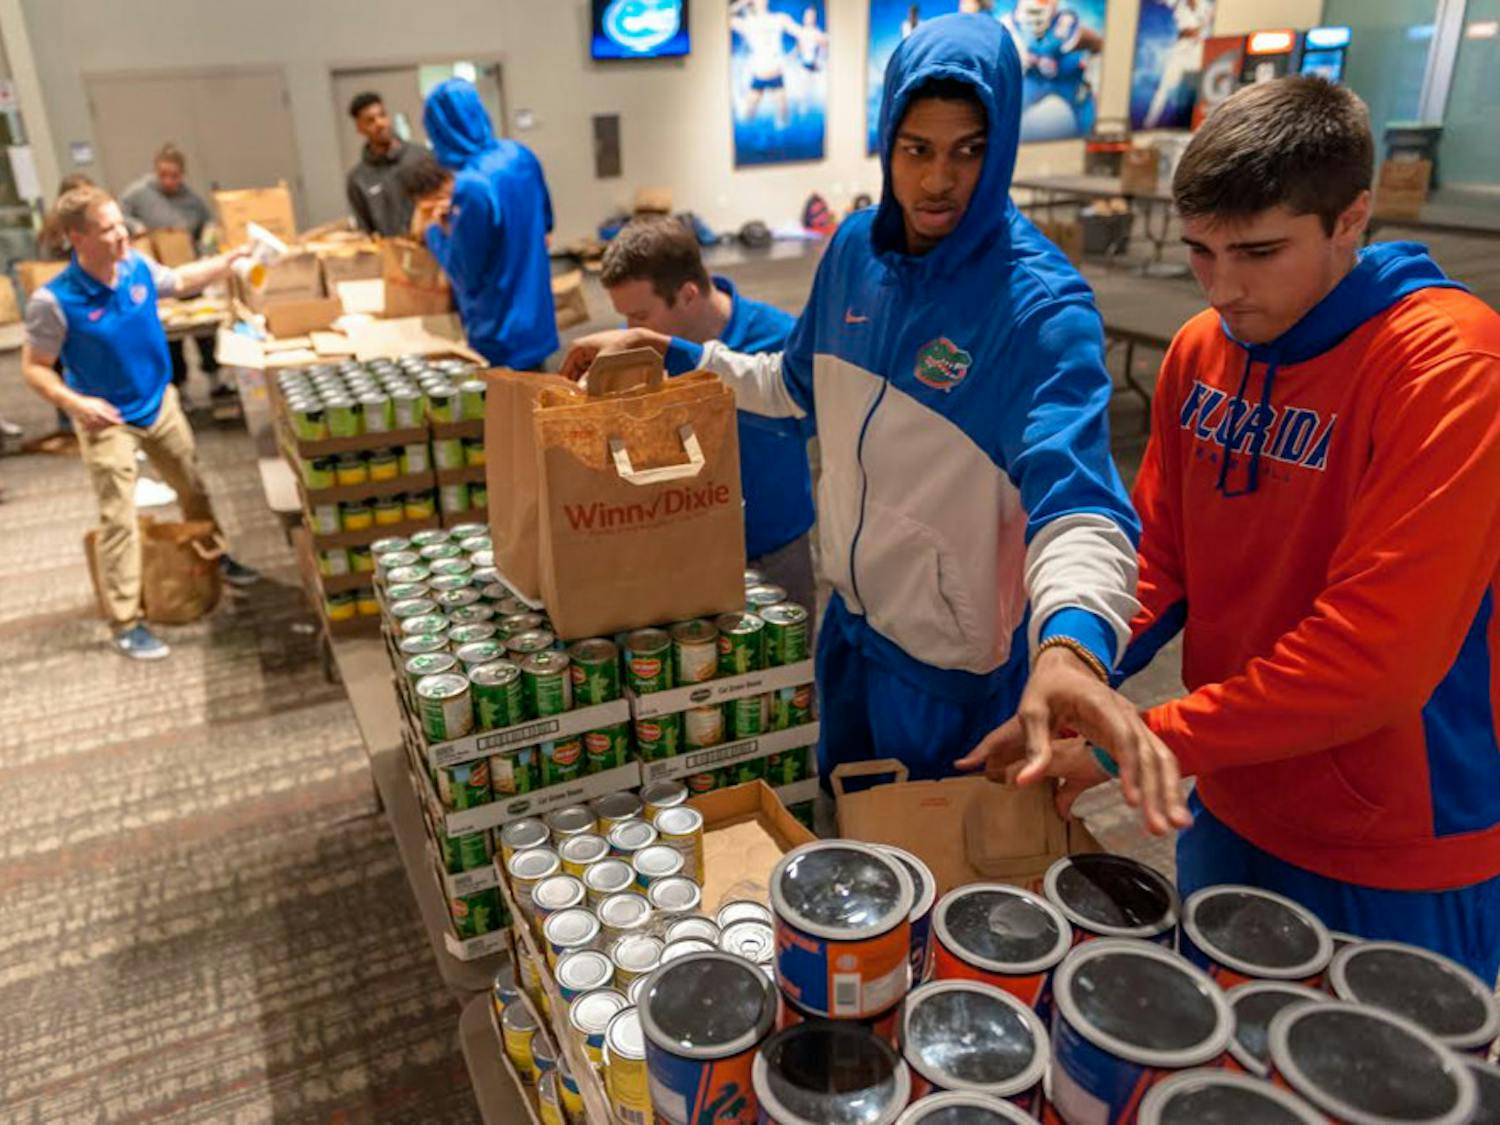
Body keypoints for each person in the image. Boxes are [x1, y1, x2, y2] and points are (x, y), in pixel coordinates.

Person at [564, 15, 1186, 832]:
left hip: (947, 669)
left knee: (935, 880)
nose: (939, 180)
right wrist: (673, 351)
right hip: (849, 628)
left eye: (968, 149)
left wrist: (1069, 645)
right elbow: (792, 385)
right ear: (887, 143)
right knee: (843, 831)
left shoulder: (1038, 309)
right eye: (917, 149)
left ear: (999, 149)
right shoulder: (854, 247)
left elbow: (1083, 508)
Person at [963, 78, 1500, 981]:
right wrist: (1078, 661)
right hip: (1230, 799)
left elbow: (1375, 662)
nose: (1223, 288)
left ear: (1351, 218)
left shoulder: (1451, 369)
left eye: (1258, 251)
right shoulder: (1202, 352)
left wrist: (1132, 739)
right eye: (1200, 252)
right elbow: (1161, 556)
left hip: (1397, 841)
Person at [20, 186, 261, 661]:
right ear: (77, 238)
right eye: (107, 228)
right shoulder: (54, 301)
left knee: (193, 487)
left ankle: (214, 554)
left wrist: (228, 260)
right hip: (105, 418)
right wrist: (75, 403)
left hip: (159, 403)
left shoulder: (136, 267)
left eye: (120, 224)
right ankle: (126, 620)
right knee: (118, 516)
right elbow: (34, 366)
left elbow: (179, 280)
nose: (121, 234)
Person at [599, 216, 817, 610]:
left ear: (687, 294)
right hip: (680, 555)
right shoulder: (635, 347)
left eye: (640, 316)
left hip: (773, 554)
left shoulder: (779, 341)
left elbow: (811, 423)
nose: (628, 328)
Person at [404, 80, 557, 371]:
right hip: (536, 320)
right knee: (539, 402)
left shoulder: (472, 184)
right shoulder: (520, 156)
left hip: (500, 331)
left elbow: (464, 273)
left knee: (509, 412)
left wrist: (434, 231)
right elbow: (545, 224)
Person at [120, 143, 224, 397]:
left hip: (187, 271)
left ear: (182, 175)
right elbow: (119, 215)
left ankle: (216, 382)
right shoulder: (137, 193)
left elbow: (208, 225)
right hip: (157, 275)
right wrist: (135, 227)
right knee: (170, 339)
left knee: (204, 334)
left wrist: (207, 243)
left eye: (174, 176)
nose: (168, 180)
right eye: (163, 175)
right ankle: (180, 389)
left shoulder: (191, 200)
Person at [1001, 0, 1102, 139]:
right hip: (1034, 78)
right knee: (1005, 110)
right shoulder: (1008, 25)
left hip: (1067, 80)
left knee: (1088, 118)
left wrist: (1094, 69)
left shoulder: (1065, 24)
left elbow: (1097, 44)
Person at [345, 91, 429, 237]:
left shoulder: (422, 157)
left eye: (382, 115)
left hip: (431, 250)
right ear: (359, 128)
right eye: (370, 120)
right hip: (390, 254)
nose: (380, 123)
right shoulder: (358, 179)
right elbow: (365, 231)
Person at [1143, 0, 1208, 129]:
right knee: (1164, 87)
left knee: (1202, 90)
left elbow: (1204, 24)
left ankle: (1201, 129)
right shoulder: (1178, 3)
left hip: (1197, 48)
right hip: (1181, 48)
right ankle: (1149, 122)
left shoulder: (1205, 6)